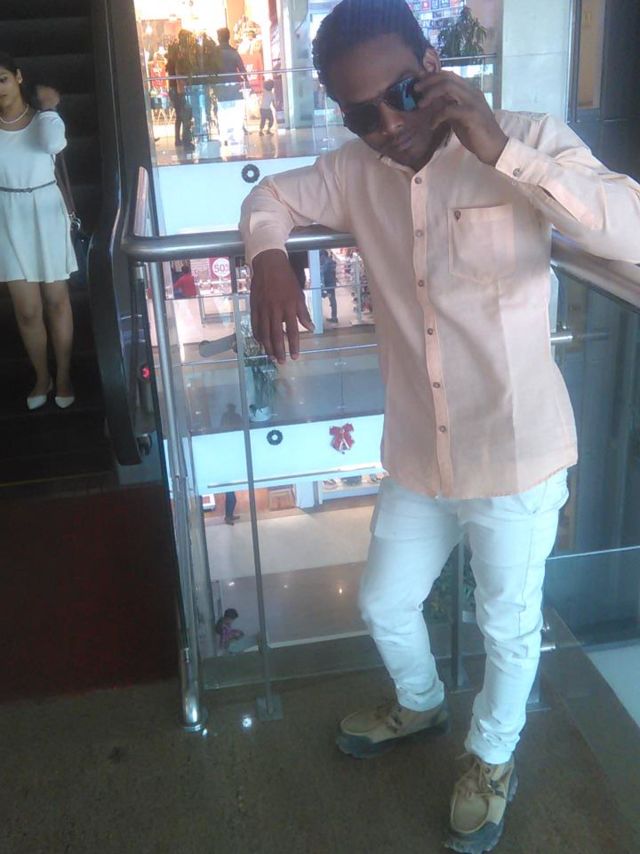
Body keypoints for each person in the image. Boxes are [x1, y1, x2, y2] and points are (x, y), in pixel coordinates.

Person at [238, 1, 640, 851]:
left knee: (507, 625)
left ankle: (491, 759)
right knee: (384, 601)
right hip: (420, 454)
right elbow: (269, 196)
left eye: (399, 96)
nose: (386, 127)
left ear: (431, 65)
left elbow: (631, 231)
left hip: (517, 452)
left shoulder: (526, 136)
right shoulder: (355, 172)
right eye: (359, 114)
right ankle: (420, 705)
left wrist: (500, 152)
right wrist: (268, 256)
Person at [0, 53, 77, 410]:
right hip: (7, 214)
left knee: (56, 300)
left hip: (45, 211)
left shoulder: (44, 119)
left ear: (17, 77)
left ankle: (63, 375)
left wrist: (48, 107)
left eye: (2, 79)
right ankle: (42, 376)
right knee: (27, 310)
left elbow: (52, 145)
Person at [216, 28, 248, 145]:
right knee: (234, 110)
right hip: (234, 85)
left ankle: (224, 133)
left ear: (219, 38)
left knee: (222, 110)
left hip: (220, 85)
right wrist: (246, 81)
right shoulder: (233, 52)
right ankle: (234, 133)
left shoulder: (215, 53)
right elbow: (242, 69)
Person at [220, 403, 243, 524]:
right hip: (228, 468)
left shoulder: (230, 417)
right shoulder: (230, 417)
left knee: (231, 497)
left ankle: (229, 516)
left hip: (231, 451)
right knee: (231, 498)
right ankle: (228, 517)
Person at [320, 248, 338, 322]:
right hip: (331, 283)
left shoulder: (326, 263)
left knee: (332, 300)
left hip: (328, 284)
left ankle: (334, 317)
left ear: (323, 255)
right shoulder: (330, 262)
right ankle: (334, 317)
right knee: (332, 300)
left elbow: (322, 272)